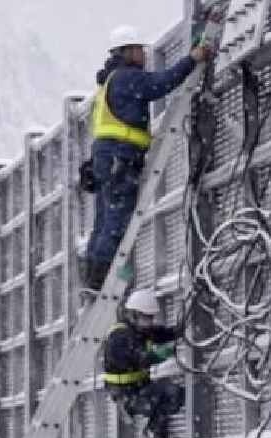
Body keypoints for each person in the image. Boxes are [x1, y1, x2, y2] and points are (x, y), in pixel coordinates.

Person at [81, 25, 211, 291]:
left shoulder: (107, 83)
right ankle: (100, 277)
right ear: (128, 51)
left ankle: (93, 273)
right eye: (139, 49)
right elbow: (160, 84)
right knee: (116, 220)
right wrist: (193, 59)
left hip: (107, 157)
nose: (144, 54)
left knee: (104, 220)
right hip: (121, 157)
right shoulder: (128, 77)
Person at [102, 289, 184, 438]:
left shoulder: (139, 330)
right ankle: (153, 430)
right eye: (146, 317)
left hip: (139, 388)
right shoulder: (119, 336)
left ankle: (155, 428)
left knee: (177, 393)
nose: (150, 322)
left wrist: (179, 330)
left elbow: (162, 333)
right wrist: (158, 355)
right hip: (126, 393)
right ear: (133, 315)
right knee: (170, 393)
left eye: (151, 317)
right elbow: (137, 357)